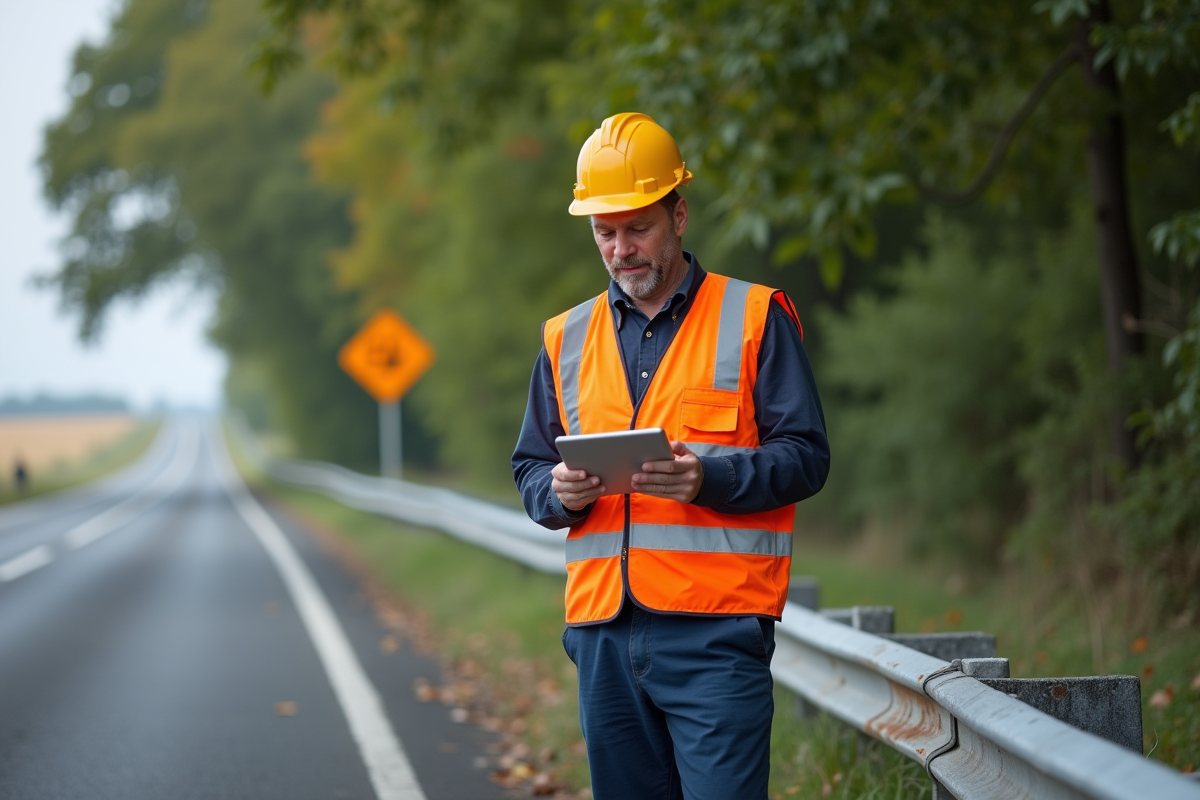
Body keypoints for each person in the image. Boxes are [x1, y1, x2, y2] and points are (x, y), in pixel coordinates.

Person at [512, 112, 830, 800]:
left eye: (638, 228)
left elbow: (806, 457)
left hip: (717, 635)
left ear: (679, 216)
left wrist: (707, 477)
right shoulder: (565, 337)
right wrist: (556, 493)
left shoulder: (754, 316)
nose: (621, 249)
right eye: (605, 232)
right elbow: (530, 467)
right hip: (602, 637)